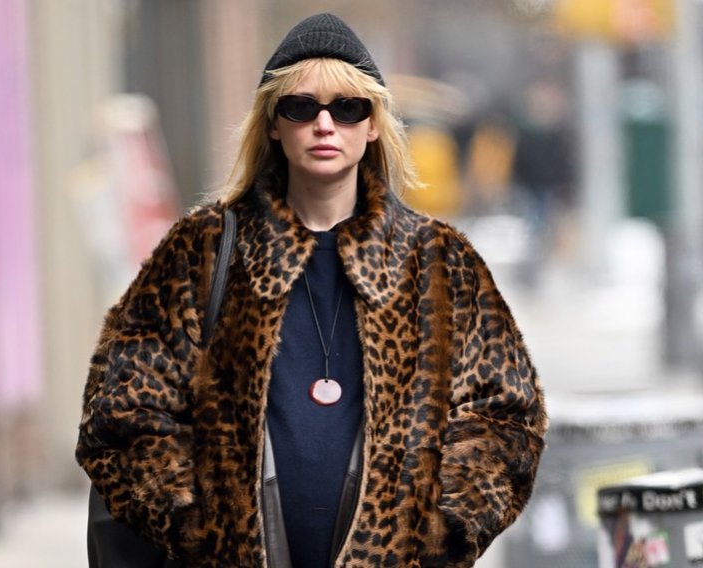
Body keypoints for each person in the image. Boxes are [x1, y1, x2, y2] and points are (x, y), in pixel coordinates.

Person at [76, 13, 547, 568]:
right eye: (301, 107)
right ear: (274, 124)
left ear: (373, 125)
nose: (325, 124)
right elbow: (123, 411)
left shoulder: (438, 262)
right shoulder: (201, 251)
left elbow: (506, 414)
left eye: (348, 108)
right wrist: (195, 526)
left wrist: (439, 531)